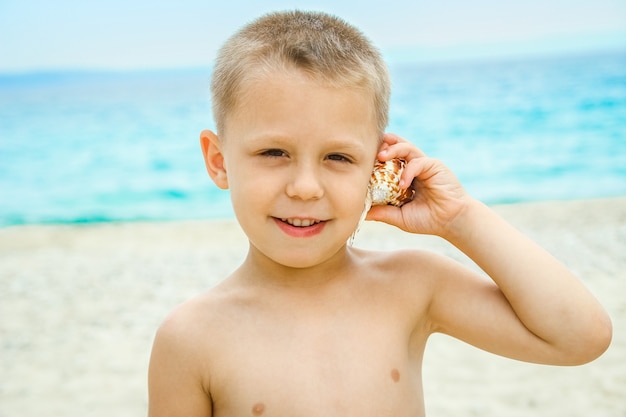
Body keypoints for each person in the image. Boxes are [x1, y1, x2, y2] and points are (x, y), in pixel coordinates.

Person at [147, 10, 612, 417]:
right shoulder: (191, 338)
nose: (305, 188)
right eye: (273, 152)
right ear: (218, 159)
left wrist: (460, 219)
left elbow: (579, 336)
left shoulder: (411, 285)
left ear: (379, 166)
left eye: (338, 158)